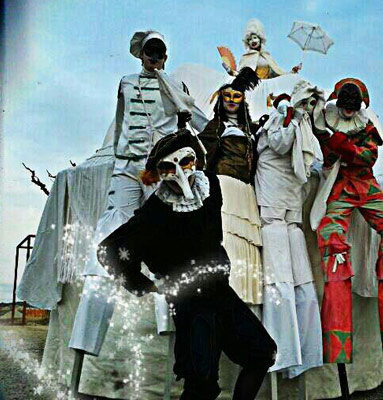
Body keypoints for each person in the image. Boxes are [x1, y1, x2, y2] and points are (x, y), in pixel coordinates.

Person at [97, 129, 276, 400]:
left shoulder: (211, 186)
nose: (180, 172)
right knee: (201, 383)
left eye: (185, 162)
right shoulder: (155, 211)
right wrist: (146, 285)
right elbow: (108, 251)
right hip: (191, 303)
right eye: (169, 167)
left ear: (195, 160)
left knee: (261, 353)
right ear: (159, 172)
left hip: (221, 293)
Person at [70, 30, 208, 357]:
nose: (154, 56)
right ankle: (87, 336)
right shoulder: (126, 82)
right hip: (129, 165)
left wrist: (182, 109)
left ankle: (169, 322)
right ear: (141, 54)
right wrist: (115, 155)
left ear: (166, 56)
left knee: (168, 234)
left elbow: (199, 123)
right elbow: (120, 124)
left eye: (159, 51)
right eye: (149, 51)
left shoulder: (176, 84)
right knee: (110, 230)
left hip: (160, 167)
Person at [312, 78, 383, 364]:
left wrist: (341, 145)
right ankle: (336, 344)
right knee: (332, 241)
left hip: (366, 186)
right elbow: (324, 153)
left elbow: (368, 157)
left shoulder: (367, 127)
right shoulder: (325, 121)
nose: (349, 110)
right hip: (341, 188)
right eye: (345, 105)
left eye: (353, 106)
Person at [254, 82, 324, 378]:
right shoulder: (279, 120)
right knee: (279, 278)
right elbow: (281, 143)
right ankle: (280, 353)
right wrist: (292, 116)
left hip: (290, 203)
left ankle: (303, 352)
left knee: (301, 280)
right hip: (272, 204)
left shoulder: (303, 124)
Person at [200, 67, 263, 306]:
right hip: (225, 187)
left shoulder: (251, 129)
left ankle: (244, 300)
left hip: (246, 191)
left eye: (237, 96)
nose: (231, 101)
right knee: (227, 237)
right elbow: (202, 152)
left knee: (245, 241)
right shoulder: (216, 126)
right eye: (227, 96)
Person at [224, 18, 301, 79]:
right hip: (251, 87)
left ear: (260, 39)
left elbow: (279, 74)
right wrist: (230, 71)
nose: (252, 41)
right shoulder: (246, 57)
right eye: (250, 39)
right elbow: (240, 75)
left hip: (267, 87)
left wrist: (292, 72)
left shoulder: (267, 56)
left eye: (255, 38)